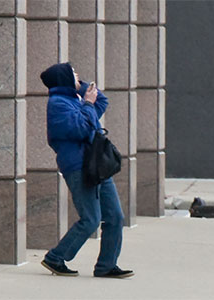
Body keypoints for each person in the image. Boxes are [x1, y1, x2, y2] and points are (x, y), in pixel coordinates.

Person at [39, 62, 134, 278]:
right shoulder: (57, 103)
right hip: (78, 167)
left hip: (95, 164)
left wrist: (82, 90)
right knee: (91, 218)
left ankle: (106, 266)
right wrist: (88, 105)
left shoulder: (74, 98)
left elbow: (101, 100)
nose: (78, 75)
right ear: (63, 78)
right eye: (73, 74)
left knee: (115, 216)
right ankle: (55, 257)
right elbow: (81, 129)